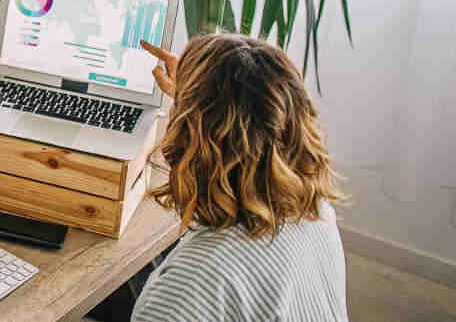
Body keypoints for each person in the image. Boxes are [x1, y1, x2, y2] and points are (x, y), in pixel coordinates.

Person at [129, 35, 348, 322]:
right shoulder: (315, 212)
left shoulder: (183, 296)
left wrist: (193, 101)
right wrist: (195, 90)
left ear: (188, 136)